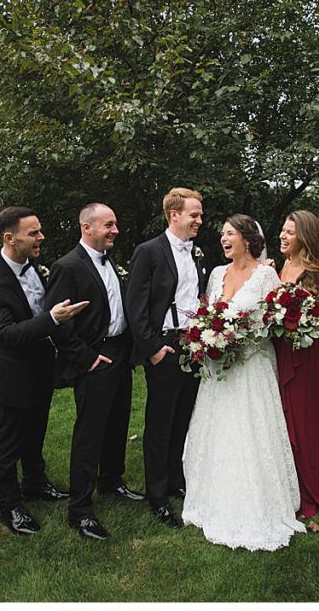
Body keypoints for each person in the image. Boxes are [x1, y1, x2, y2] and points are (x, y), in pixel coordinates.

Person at [182, 214, 305, 551]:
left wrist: (243, 338)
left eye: (230, 233)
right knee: (219, 429)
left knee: (251, 430)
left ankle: (258, 501)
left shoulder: (266, 275)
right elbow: (209, 314)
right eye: (222, 233)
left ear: (247, 239)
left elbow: (277, 320)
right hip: (220, 369)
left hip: (253, 366)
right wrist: (211, 339)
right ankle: (212, 496)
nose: (223, 238)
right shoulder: (218, 274)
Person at [0, 206, 86, 536]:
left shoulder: (36, 268)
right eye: (33, 233)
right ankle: (10, 505)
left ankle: (35, 482)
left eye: (39, 230)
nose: (41, 237)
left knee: (36, 431)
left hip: (41, 367)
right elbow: (5, 334)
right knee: (10, 441)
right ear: (10, 238)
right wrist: (52, 319)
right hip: (14, 373)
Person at [45, 203, 143, 541]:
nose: (115, 230)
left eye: (115, 224)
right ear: (87, 228)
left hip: (119, 353)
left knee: (117, 423)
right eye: (109, 225)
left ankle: (111, 481)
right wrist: (86, 358)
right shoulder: (67, 266)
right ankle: (80, 510)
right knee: (90, 433)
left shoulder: (110, 260)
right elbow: (56, 322)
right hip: (95, 358)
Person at [124, 188, 209, 529]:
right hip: (166, 345)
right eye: (194, 215)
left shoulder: (198, 253)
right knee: (160, 422)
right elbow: (135, 306)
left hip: (194, 344)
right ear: (174, 215)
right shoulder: (149, 251)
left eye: (200, 215)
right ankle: (157, 494)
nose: (200, 220)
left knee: (182, 418)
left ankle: (176, 479)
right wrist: (153, 349)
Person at [275, 210, 319, 531]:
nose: (283, 236)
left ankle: (308, 485)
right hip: (279, 350)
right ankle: (285, 483)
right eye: (282, 231)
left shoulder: (318, 275)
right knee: (281, 417)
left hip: (303, 353)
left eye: (289, 232)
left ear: (304, 236)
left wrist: (306, 323)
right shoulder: (281, 267)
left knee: (301, 419)